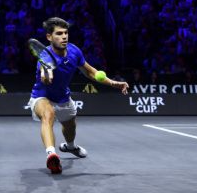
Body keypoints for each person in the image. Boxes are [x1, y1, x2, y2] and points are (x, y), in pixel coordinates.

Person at [28, 17, 129, 174]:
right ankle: (52, 155)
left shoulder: (74, 51)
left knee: (70, 126)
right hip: (42, 97)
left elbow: (89, 71)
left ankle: (70, 146)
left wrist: (113, 83)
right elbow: (44, 76)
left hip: (63, 98)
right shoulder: (45, 57)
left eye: (66, 33)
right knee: (48, 114)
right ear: (49, 37)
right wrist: (47, 74)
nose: (64, 37)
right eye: (59, 33)